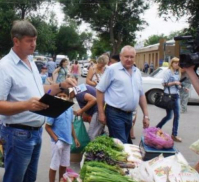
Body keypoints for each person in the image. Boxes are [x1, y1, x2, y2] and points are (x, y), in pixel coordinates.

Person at [0, 20, 77, 182]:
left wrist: (61, 86)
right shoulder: (5, 67)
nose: (34, 44)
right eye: (29, 40)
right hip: (17, 134)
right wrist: (26, 105)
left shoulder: (30, 62)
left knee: (30, 179)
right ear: (16, 41)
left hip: (35, 133)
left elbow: (39, 90)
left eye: (35, 40)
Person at [96, 45, 150, 144]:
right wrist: (101, 112)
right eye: (126, 56)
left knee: (124, 144)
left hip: (129, 115)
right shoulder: (112, 70)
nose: (129, 59)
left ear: (135, 57)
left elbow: (141, 94)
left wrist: (146, 115)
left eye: (131, 57)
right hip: (114, 114)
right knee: (122, 145)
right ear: (121, 56)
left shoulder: (137, 72)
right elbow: (100, 90)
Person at [45, 89, 80, 182]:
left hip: (67, 141)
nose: (62, 98)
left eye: (64, 96)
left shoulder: (70, 109)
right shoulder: (54, 109)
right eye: (59, 96)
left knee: (64, 165)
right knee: (54, 165)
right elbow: (47, 127)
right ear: (56, 97)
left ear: (68, 97)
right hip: (57, 142)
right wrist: (57, 140)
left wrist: (75, 138)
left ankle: (62, 180)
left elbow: (71, 124)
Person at [156, 57, 182, 142]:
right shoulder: (168, 72)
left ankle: (159, 129)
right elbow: (164, 83)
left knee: (173, 116)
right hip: (170, 96)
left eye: (178, 63)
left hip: (176, 95)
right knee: (171, 116)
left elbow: (177, 85)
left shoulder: (177, 72)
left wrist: (181, 87)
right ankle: (172, 134)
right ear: (172, 63)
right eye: (175, 63)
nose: (177, 65)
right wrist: (174, 83)